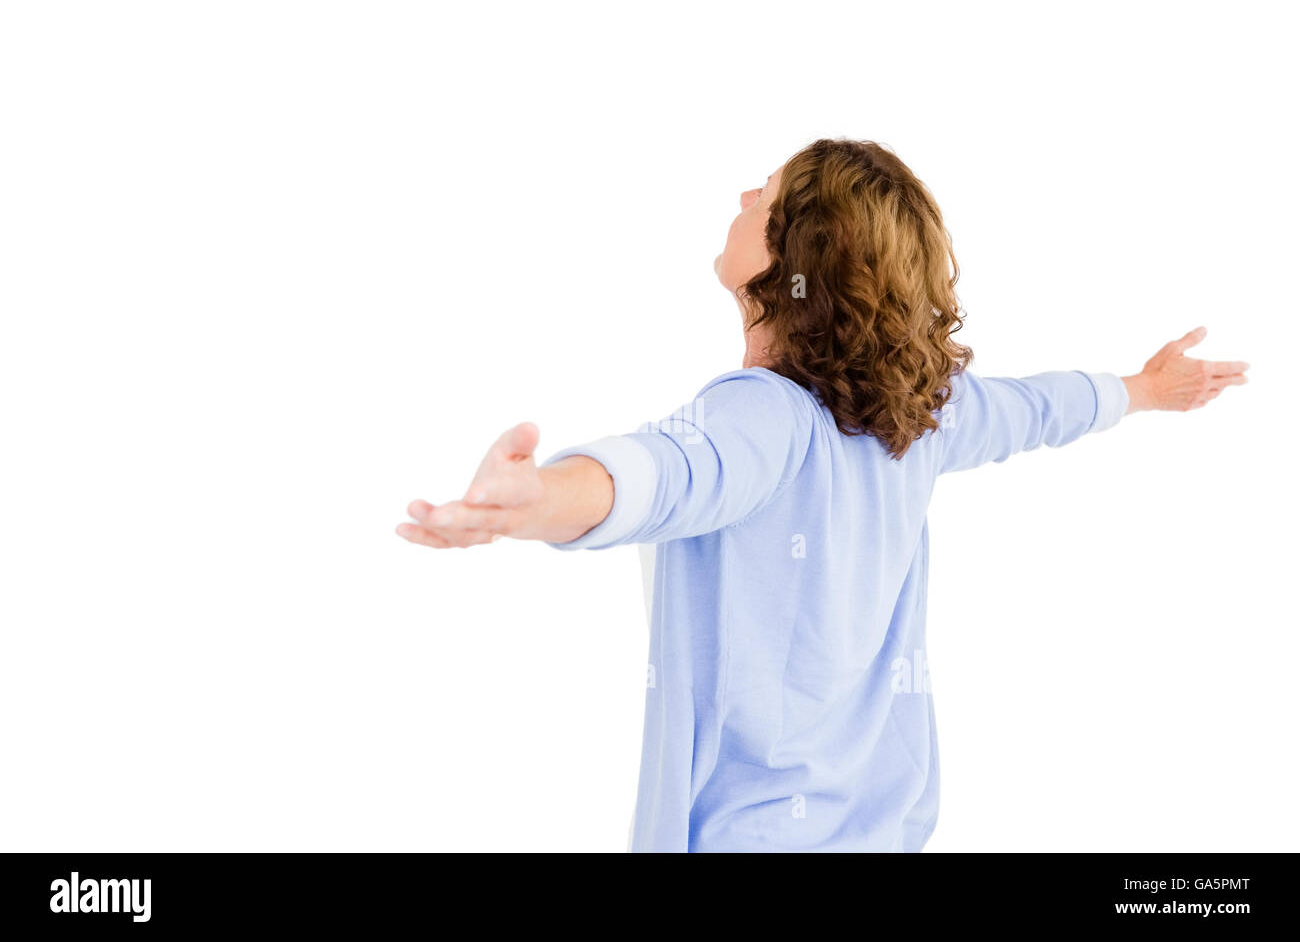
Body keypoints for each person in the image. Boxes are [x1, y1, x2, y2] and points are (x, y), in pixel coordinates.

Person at [395, 138, 1249, 852]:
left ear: (795, 259)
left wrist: (536, 498)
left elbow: (669, 473)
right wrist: (1140, 388)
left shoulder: (761, 414)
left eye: (761, 196)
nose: (740, 194)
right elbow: (1035, 408)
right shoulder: (917, 414)